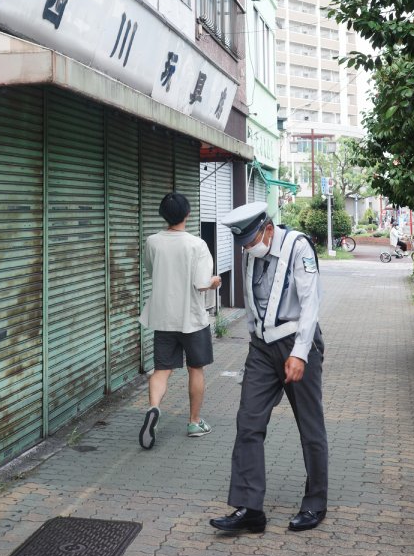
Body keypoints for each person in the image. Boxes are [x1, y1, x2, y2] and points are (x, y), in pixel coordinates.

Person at [209, 202, 328, 535]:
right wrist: (252, 338)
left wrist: (301, 353)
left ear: (268, 229)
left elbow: (310, 305)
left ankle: (315, 503)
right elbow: (252, 298)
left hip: (296, 344)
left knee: (310, 426)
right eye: (243, 243)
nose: (247, 248)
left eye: (250, 240)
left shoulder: (298, 247)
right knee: (248, 421)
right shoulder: (251, 251)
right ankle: (250, 509)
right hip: (261, 348)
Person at [139, 192, 221, 450]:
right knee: (195, 369)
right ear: (187, 214)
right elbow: (201, 284)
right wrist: (215, 281)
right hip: (192, 319)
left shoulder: (152, 242)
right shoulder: (197, 245)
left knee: (161, 370)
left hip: (163, 317)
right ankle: (194, 422)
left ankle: (153, 409)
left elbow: (151, 271)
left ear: (163, 215)